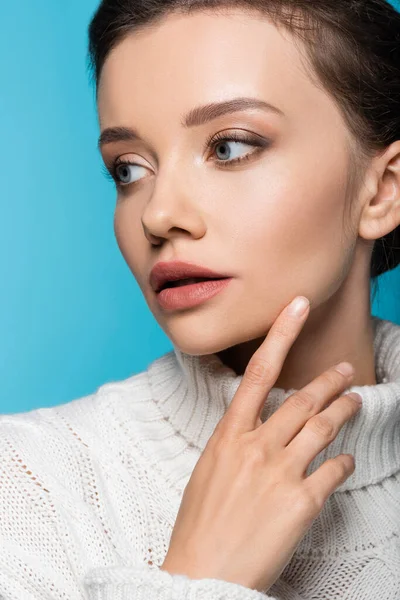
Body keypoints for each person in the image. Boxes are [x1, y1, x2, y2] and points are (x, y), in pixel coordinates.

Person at [1, 0, 400, 598]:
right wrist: (203, 576)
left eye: (230, 147)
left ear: (382, 193)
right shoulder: (28, 480)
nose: (159, 214)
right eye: (129, 169)